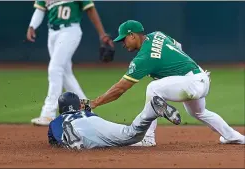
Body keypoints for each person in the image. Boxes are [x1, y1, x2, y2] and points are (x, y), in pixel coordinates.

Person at [90, 20, 245, 145]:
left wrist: (95, 103)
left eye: (123, 39)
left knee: (153, 89)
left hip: (190, 83)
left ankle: (148, 138)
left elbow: (120, 88)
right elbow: (178, 47)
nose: (123, 44)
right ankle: (234, 136)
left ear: (132, 35)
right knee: (199, 112)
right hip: (200, 77)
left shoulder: (143, 58)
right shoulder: (158, 35)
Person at [26, 0, 114, 126]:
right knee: (66, 74)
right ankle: (87, 110)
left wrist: (102, 34)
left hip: (70, 31)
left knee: (55, 68)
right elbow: (40, 9)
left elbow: (90, 9)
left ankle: (48, 113)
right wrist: (32, 26)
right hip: (52, 33)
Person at [47, 91, 180, 150]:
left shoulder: (58, 119)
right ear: (78, 105)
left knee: (65, 134)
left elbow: (53, 139)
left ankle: (74, 140)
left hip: (76, 128)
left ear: (61, 108)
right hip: (95, 121)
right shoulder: (85, 112)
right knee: (131, 133)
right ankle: (150, 110)